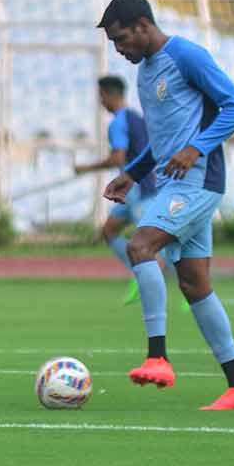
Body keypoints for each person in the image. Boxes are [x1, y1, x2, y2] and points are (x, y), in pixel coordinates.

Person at [98, 0, 234, 411]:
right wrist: (132, 173)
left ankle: (157, 357)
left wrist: (197, 147)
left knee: (140, 246)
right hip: (174, 185)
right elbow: (161, 138)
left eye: (120, 39)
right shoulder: (146, 72)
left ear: (141, 25)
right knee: (194, 283)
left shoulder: (187, 55)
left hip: (198, 182)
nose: (118, 49)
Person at [75, 76, 185, 310]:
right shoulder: (135, 117)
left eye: (100, 96)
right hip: (141, 187)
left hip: (138, 188)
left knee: (154, 243)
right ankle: (139, 273)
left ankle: (188, 290)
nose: (100, 101)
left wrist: (86, 168)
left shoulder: (118, 123)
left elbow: (118, 158)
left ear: (107, 95)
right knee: (109, 230)